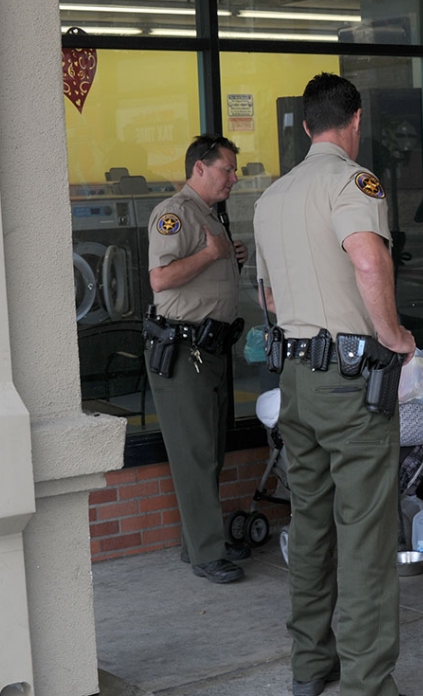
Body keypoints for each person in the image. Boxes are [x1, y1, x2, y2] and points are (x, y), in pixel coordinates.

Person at [253, 73, 415, 696]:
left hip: (296, 380)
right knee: (368, 534)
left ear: (302, 126)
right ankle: (367, 684)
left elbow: (268, 294)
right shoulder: (352, 181)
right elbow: (369, 258)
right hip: (351, 383)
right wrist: (395, 334)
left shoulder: (271, 198)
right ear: (355, 122)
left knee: (312, 525)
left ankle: (310, 670)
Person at [145, 133, 250, 584]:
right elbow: (161, 278)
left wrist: (229, 259)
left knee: (209, 453)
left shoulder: (210, 215)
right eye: (227, 168)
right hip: (183, 350)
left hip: (209, 349)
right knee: (194, 455)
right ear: (200, 168)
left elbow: (204, 277)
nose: (233, 177)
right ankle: (208, 553)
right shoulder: (175, 213)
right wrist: (212, 253)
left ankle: (200, 544)